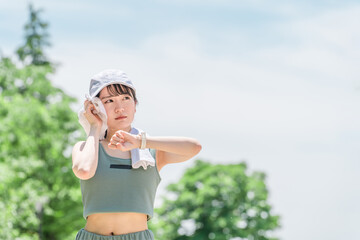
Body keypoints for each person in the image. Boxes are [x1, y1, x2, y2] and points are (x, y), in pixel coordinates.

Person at [72, 69, 202, 240]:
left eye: (126, 98)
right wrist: (95, 127)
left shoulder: (151, 152)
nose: (120, 108)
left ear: (135, 104)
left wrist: (141, 142)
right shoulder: (85, 147)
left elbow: (194, 147)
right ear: (96, 107)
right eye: (109, 101)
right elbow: (84, 171)